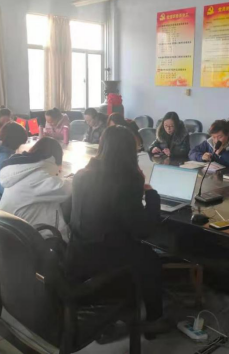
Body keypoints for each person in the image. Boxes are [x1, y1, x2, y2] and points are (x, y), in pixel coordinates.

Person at [66, 125, 168, 335]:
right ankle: (154, 320)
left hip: (77, 250)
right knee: (150, 258)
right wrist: (150, 194)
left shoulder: (82, 174)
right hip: (107, 255)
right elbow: (143, 230)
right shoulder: (126, 180)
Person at [0, 137, 72, 239]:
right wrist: (76, 177)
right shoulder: (37, 178)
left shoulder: (19, 171)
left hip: (12, 234)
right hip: (31, 239)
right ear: (54, 159)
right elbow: (66, 189)